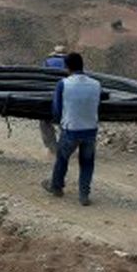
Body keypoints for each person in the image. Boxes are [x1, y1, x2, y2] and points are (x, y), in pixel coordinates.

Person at [41, 52, 100, 206]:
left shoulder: (64, 84)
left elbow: (57, 110)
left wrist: (58, 121)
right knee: (87, 163)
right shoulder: (96, 84)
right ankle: (84, 195)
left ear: (67, 67)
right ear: (82, 65)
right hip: (90, 130)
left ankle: (56, 187)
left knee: (62, 158)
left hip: (71, 130)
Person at [39, 44, 68, 155]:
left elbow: (41, 78)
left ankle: (52, 147)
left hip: (49, 95)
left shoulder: (48, 62)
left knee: (44, 120)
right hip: (67, 96)